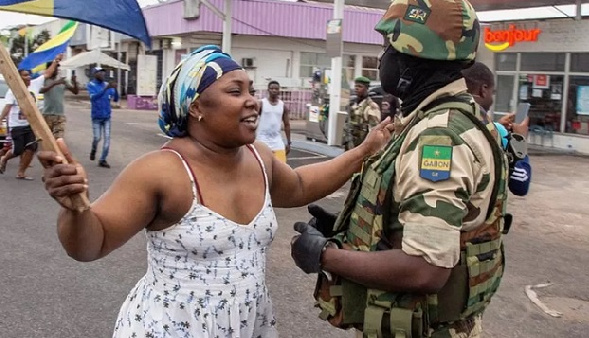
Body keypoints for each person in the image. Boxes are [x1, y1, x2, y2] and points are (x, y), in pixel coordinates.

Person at [38, 45, 393, 338]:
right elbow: (90, 245)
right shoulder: (162, 170)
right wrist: (76, 209)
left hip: (248, 325)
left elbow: (299, 186)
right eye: (235, 91)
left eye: (250, 90)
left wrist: (362, 152)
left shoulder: (259, 157)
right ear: (196, 107)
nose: (252, 100)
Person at [290, 1, 510, 337]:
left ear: (413, 61)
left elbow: (425, 267)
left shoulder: (438, 138)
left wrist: (324, 255)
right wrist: (354, 233)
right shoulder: (450, 118)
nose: (383, 60)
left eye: (388, 49)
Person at [462, 61, 532, 196]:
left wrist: (495, 126)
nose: (492, 99)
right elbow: (520, 184)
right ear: (483, 90)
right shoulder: (496, 133)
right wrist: (520, 140)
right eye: (492, 93)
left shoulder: (445, 118)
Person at [0, 63, 58, 179]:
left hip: (31, 125)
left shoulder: (35, 85)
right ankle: (4, 158)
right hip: (17, 126)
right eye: (25, 75)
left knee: (31, 149)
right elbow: (7, 107)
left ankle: (21, 172)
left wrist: (56, 61)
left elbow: (47, 73)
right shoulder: (13, 91)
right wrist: (0, 119)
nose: (29, 77)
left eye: (29, 75)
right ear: (19, 78)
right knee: (18, 150)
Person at [40, 54, 79, 139]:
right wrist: (54, 83)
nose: (57, 70)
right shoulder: (44, 80)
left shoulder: (63, 80)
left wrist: (74, 82)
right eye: (55, 68)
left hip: (59, 114)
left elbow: (75, 92)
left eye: (57, 68)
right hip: (47, 114)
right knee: (47, 139)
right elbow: (41, 90)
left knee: (58, 139)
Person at [87, 67, 119, 168]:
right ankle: (93, 149)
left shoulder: (107, 85)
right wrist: (106, 89)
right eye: (99, 72)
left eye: (103, 72)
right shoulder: (91, 85)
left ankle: (102, 159)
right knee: (97, 138)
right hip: (96, 117)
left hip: (106, 117)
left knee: (107, 139)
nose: (102, 74)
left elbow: (116, 99)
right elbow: (93, 98)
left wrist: (115, 88)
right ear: (95, 74)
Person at [256, 80, 291, 162]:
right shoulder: (261, 104)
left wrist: (288, 142)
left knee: (282, 165)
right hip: (262, 140)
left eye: (276, 89)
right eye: (272, 88)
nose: (274, 90)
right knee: (264, 165)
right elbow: (252, 120)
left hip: (277, 141)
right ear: (268, 90)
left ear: (279, 90)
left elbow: (287, 125)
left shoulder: (283, 106)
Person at [343, 76, 381, 150]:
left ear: (366, 89)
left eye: (360, 86)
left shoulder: (371, 106)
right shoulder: (352, 104)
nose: (356, 88)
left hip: (362, 147)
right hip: (350, 144)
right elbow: (347, 124)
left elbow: (374, 130)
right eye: (355, 86)